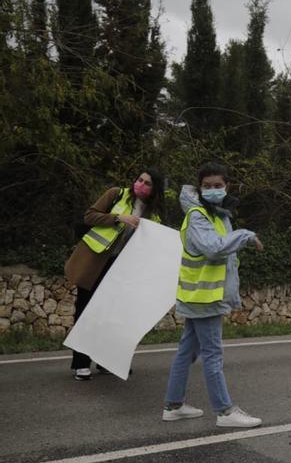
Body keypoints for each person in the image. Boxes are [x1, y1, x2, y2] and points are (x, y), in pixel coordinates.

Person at [161, 162, 264, 427]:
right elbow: (213, 248)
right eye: (207, 186)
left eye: (218, 185)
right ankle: (225, 411)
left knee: (187, 351)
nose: (213, 190)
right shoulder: (198, 215)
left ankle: (173, 406)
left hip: (201, 295)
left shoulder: (219, 214)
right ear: (199, 188)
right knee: (213, 353)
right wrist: (246, 235)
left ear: (226, 186)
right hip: (204, 298)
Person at [64, 169, 167, 380]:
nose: (141, 184)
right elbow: (89, 215)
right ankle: (81, 363)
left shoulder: (153, 216)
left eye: (147, 183)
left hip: (122, 270)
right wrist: (119, 218)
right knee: (85, 312)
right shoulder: (116, 194)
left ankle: (105, 361)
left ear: (154, 190)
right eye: (140, 180)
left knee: (111, 316)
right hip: (95, 263)